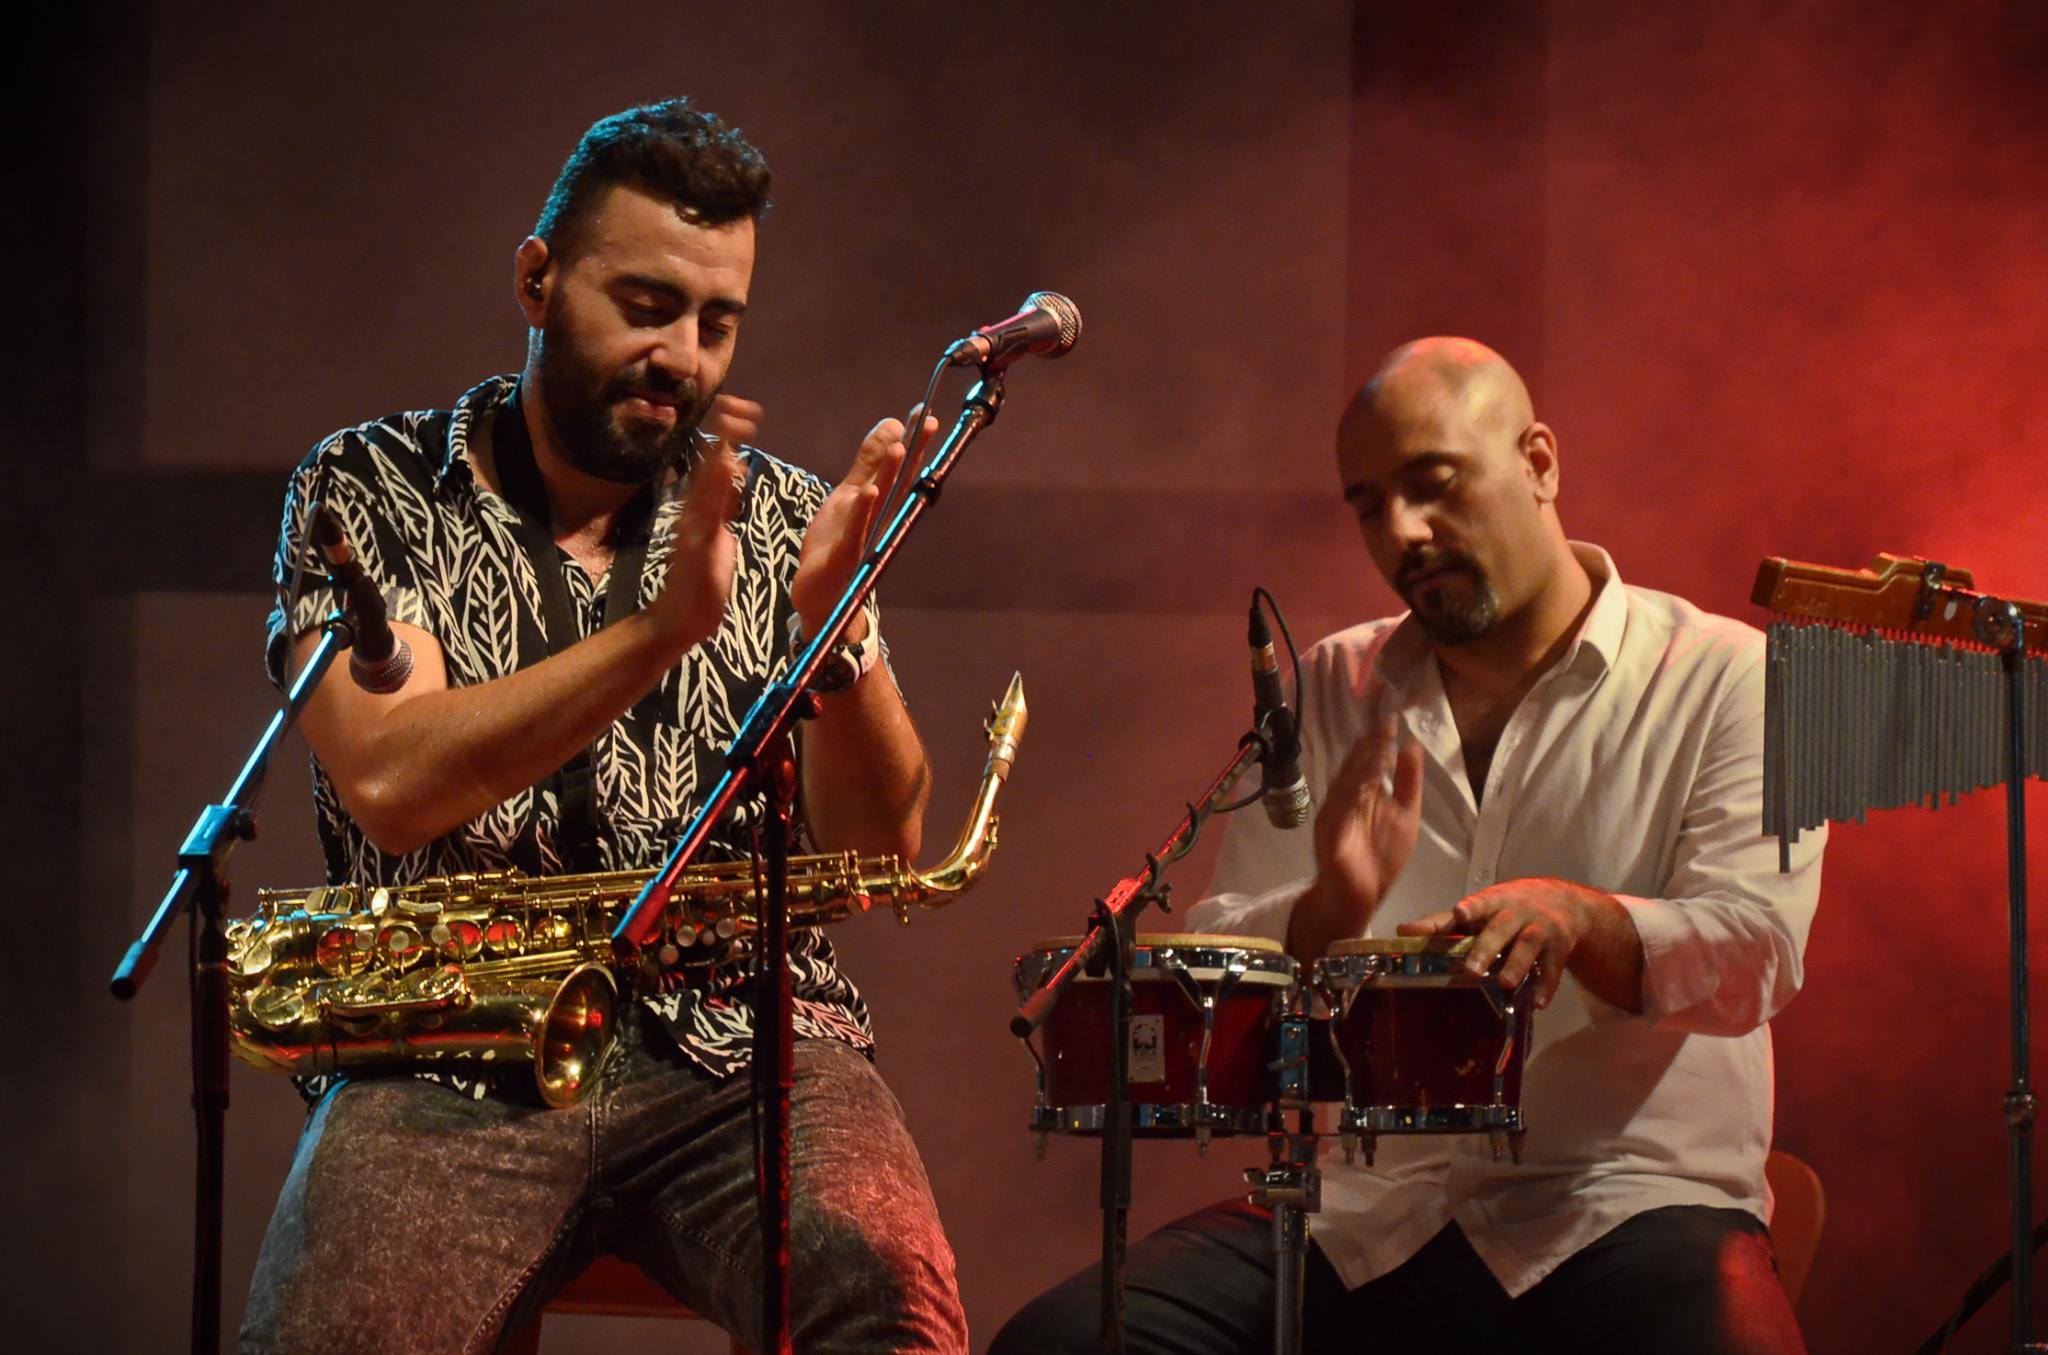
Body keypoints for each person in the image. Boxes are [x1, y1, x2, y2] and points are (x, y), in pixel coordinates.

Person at [240, 99, 967, 1355]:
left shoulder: (782, 513)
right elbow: (397, 785)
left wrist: (836, 637)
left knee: (890, 1295)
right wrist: (660, 631)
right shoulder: (367, 485)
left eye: (716, 322)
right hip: (445, 1052)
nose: (682, 355)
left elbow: (876, 848)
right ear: (537, 280)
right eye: (645, 306)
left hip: (747, 1045)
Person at [992, 337, 1823, 1354]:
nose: (1403, 533)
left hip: (1626, 1204)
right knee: (1064, 1341)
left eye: (1433, 484)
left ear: (1538, 462)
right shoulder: (1333, 682)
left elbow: (1756, 947)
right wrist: (1325, 908)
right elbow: (1221, 949)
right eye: (1368, 505)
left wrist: (1580, 918)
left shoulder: (1733, 678)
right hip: (1369, 1216)